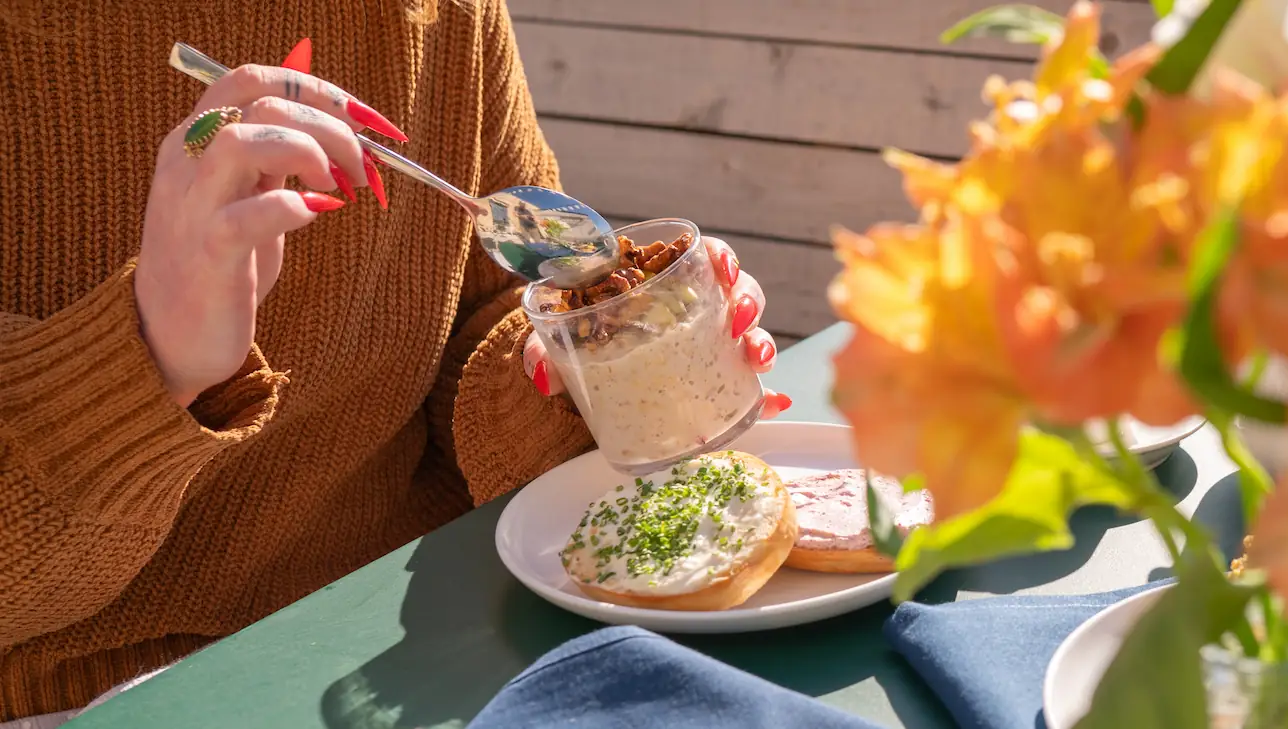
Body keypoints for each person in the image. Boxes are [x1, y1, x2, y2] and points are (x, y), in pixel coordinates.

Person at [0, 0, 790, 722]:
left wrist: (585, 363)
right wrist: (149, 355)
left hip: (423, 643)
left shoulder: (447, 15)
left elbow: (490, 309)